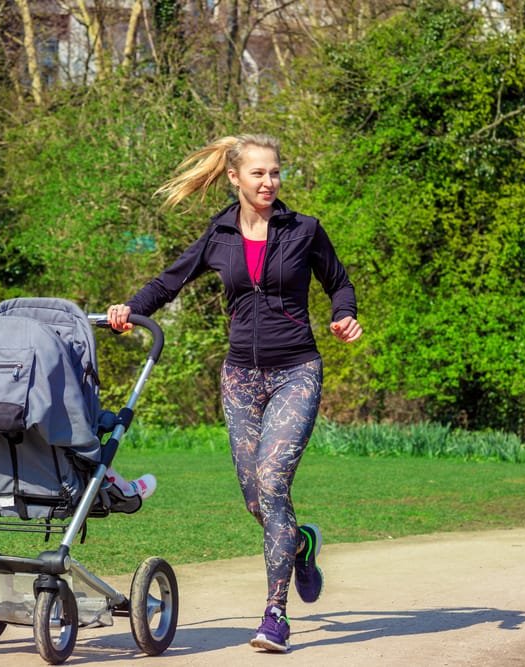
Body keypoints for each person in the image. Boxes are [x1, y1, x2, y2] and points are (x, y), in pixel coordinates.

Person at [107, 134, 362, 653]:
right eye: (258, 174)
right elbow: (169, 282)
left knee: (272, 481)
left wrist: (343, 315)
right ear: (234, 178)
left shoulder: (304, 230)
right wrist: (128, 311)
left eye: (275, 173)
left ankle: (275, 615)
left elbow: (340, 283)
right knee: (256, 500)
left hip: (296, 370)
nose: (269, 182)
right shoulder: (219, 233)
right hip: (240, 378)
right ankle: (300, 544)